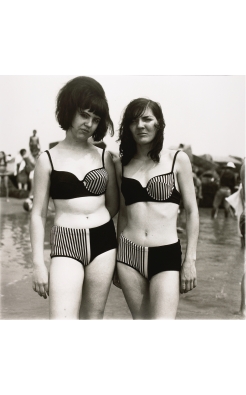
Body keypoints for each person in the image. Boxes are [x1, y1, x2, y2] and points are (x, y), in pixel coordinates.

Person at [30, 76, 119, 320]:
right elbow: (37, 214)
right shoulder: (47, 159)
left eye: (96, 119)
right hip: (66, 241)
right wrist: (38, 262)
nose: (89, 124)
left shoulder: (104, 157)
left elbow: (113, 204)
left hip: (103, 242)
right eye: (84, 115)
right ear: (69, 110)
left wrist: (94, 221)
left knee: (93, 319)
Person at [115, 98, 199, 319]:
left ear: (159, 123)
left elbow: (192, 211)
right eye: (134, 121)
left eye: (147, 119)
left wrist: (190, 260)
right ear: (128, 127)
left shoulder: (177, 160)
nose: (140, 125)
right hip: (128, 255)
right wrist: (115, 259)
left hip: (166, 253)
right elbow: (123, 214)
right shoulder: (122, 165)